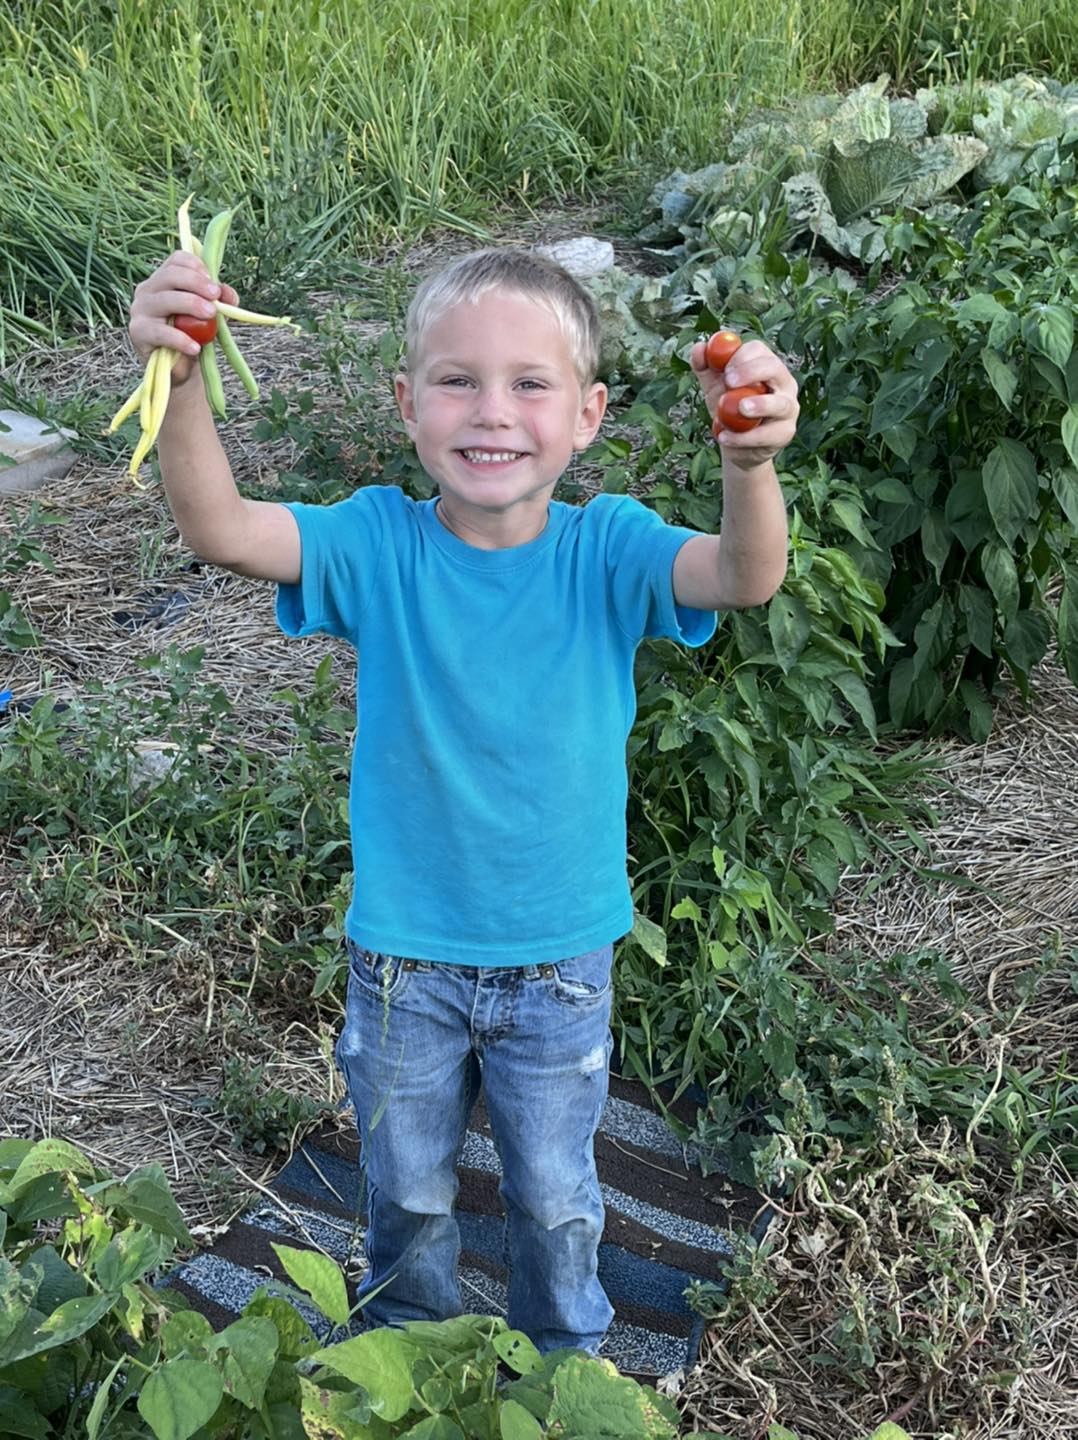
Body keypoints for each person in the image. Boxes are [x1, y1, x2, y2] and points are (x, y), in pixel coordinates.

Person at [127, 244, 799, 1355]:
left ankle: (561, 1360)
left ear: (587, 415)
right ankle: (406, 1346)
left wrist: (748, 460)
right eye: (456, 380)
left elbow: (743, 575)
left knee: (552, 1192)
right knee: (407, 1187)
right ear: (406, 404)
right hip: (404, 959)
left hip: (558, 960)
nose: (493, 412)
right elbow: (220, 528)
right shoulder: (378, 545)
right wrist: (183, 378)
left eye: (530, 384)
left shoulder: (609, 550)